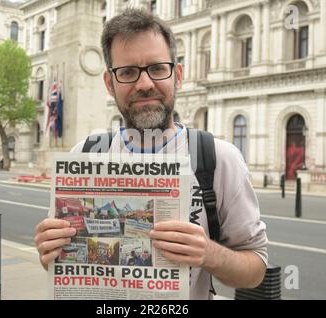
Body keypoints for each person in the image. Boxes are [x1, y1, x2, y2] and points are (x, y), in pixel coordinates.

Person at [34, 8, 268, 300]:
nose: (145, 84)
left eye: (157, 68)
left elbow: (256, 268)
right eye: (128, 72)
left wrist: (210, 254)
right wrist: (49, 251)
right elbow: (56, 264)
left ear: (177, 75)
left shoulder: (220, 158)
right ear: (110, 84)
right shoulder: (84, 155)